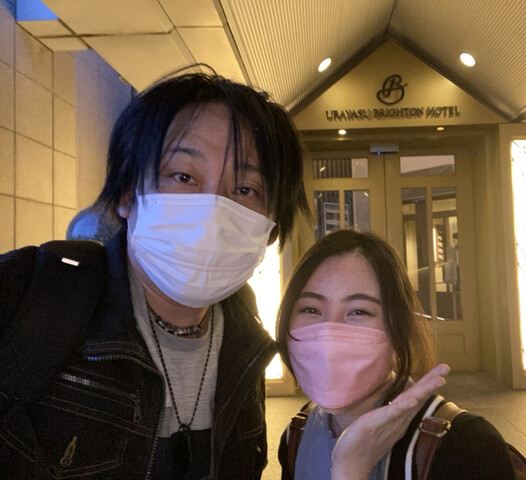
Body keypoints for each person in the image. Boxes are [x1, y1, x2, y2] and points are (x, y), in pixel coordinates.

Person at [0, 70, 309, 479]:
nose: (212, 210)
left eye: (245, 189)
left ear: (270, 226)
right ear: (128, 194)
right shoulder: (24, 295)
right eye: (184, 177)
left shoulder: (246, 339)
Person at [276, 229, 517, 479]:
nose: (330, 332)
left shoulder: (467, 446)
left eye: (359, 311)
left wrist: (351, 469)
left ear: (398, 327)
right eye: (311, 309)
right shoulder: (298, 433)